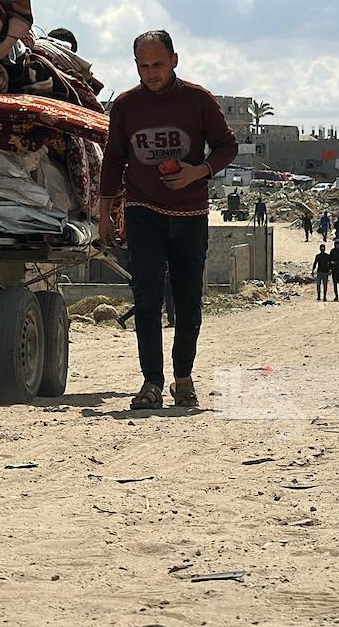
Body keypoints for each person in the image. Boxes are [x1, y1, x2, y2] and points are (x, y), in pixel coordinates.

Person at [98, 30, 238, 410]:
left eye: (158, 64)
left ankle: (184, 378)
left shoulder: (198, 100)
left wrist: (200, 171)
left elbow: (228, 145)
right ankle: (151, 383)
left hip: (190, 214)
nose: (152, 73)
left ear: (174, 59)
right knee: (146, 297)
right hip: (142, 212)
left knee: (189, 300)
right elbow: (113, 158)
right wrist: (105, 211)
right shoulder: (126, 105)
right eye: (144, 66)